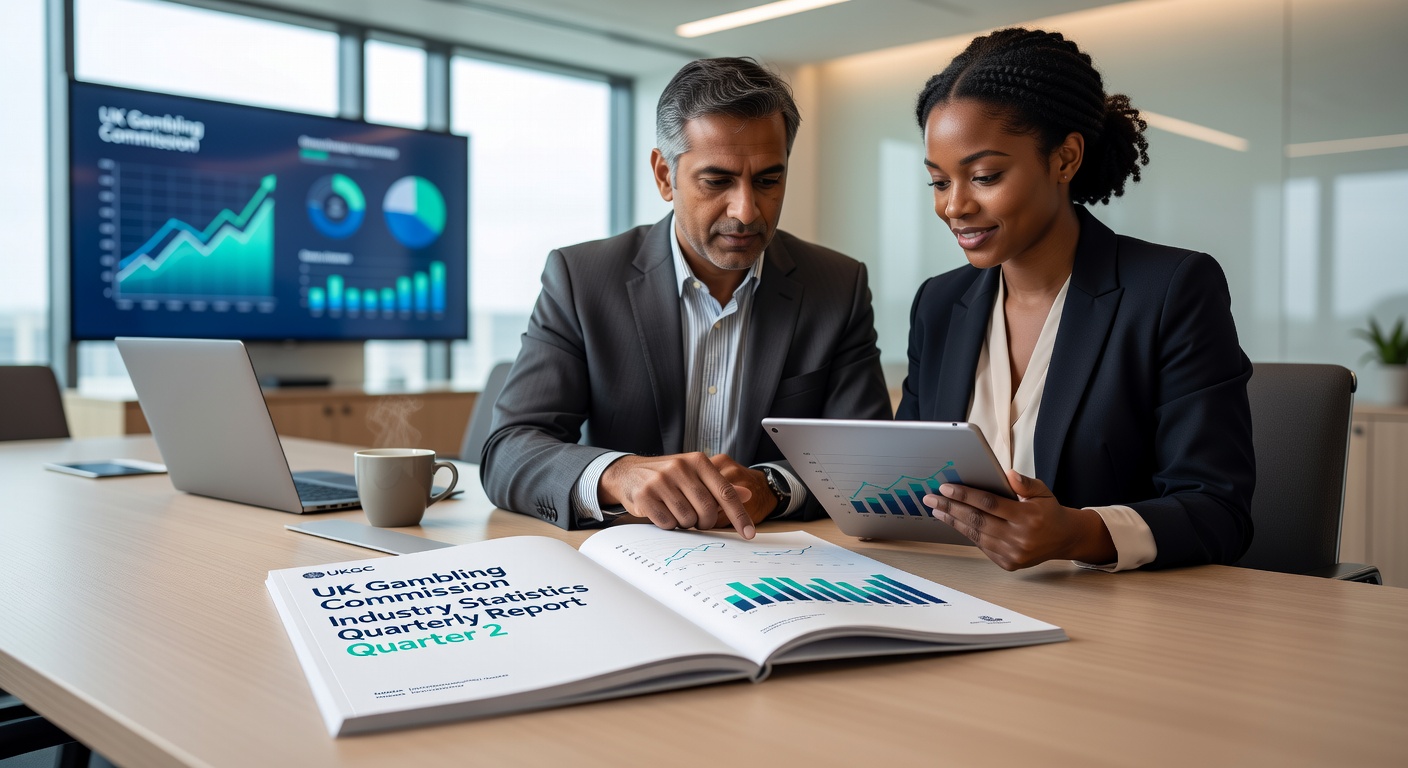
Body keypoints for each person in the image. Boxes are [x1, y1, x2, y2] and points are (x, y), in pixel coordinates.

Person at [481, 57, 891, 538]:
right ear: (663, 175)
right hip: (625, 564)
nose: (746, 211)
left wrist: (773, 487)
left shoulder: (836, 285)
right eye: (717, 181)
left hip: (773, 562)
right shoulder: (582, 279)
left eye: (768, 180)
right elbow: (509, 449)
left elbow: (867, 463)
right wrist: (618, 473)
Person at [899, 28, 1254, 571]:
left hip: (1118, 618)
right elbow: (905, 477)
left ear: (1064, 159)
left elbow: (1218, 511)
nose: (955, 206)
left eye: (985, 176)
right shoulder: (939, 304)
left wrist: (1078, 533)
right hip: (958, 597)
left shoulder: (1171, 289)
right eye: (939, 182)